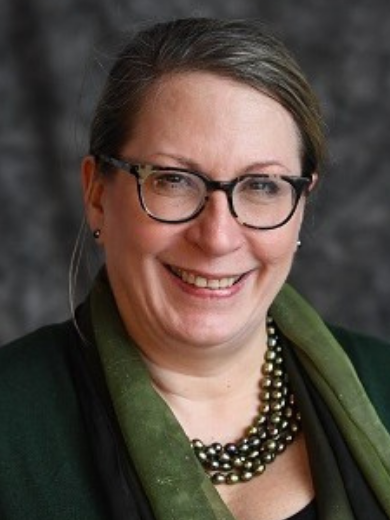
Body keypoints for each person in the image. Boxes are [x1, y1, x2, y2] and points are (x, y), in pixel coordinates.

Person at [0, 17, 389, 520]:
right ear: (98, 194)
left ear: (301, 205)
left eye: (263, 186)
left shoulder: (383, 383)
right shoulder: (10, 423)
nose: (217, 237)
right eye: (174, 180)